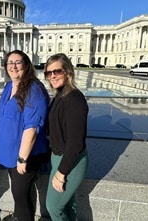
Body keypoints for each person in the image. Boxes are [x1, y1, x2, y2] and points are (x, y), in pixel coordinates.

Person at [0, 50, 49, 221]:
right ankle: (18, 216)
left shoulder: (34, 90)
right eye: (10, 63)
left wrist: (22, 158)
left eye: (18, 62)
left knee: (21, 196)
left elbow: (32, 128)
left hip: (25, 155)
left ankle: (23, 217)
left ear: (26, 65)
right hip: (9, 154)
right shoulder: (10, 86)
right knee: (18, 193)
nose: (14, 66)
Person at [44, 53, 89, 221]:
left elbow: (75, 142)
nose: (52, 76)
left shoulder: (74, 99)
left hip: (71, 160)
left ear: (68, 72)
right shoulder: (60, 95)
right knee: (68, 204)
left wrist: (61, 173)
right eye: (48, 73)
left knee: (54, 206)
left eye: (57, 71)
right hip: (59, 156)